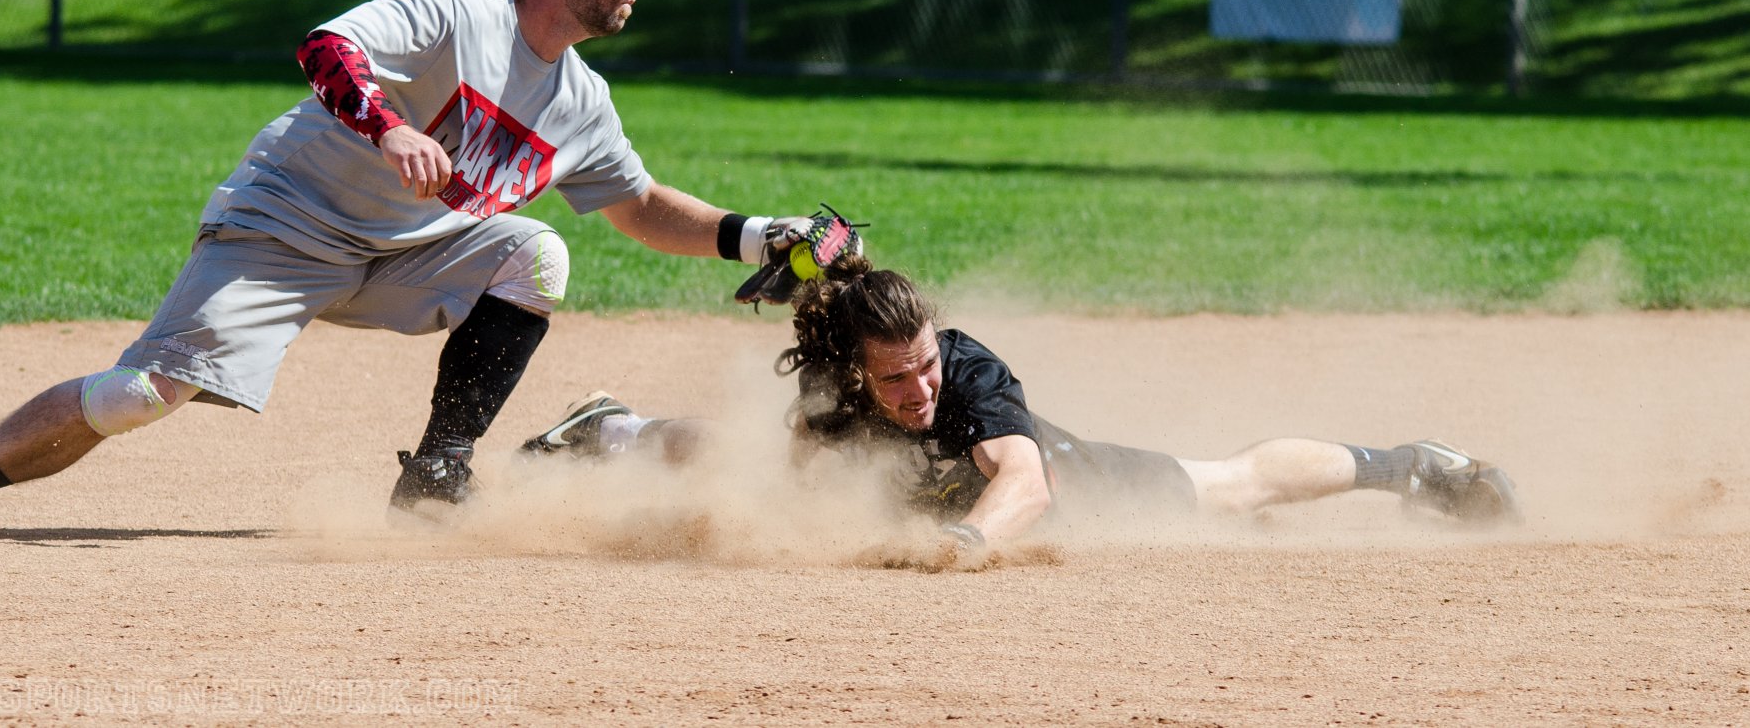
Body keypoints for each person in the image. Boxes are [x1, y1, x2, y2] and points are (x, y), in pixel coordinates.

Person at [0, 0, 824, 535]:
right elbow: (326, 50)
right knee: (140, 396)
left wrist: (757, 233)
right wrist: (389, 127)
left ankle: (437, 473)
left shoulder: (580, 102)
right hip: (285, 226)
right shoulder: (455, 12)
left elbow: (640, 205)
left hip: (409, 256)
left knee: (537, 253)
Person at [520, 256, 1520, 560]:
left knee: (1231, 484)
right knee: (728, 452)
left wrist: (967, 545)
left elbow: (1027, 482)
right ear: (857, 368)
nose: (920, 390)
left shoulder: (973, 376)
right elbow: (785, 470)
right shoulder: (837, 388)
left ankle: (1413, 466)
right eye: (896, 378)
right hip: (947, 500)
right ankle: (606, 428)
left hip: (1085, 484)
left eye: (924, 368)